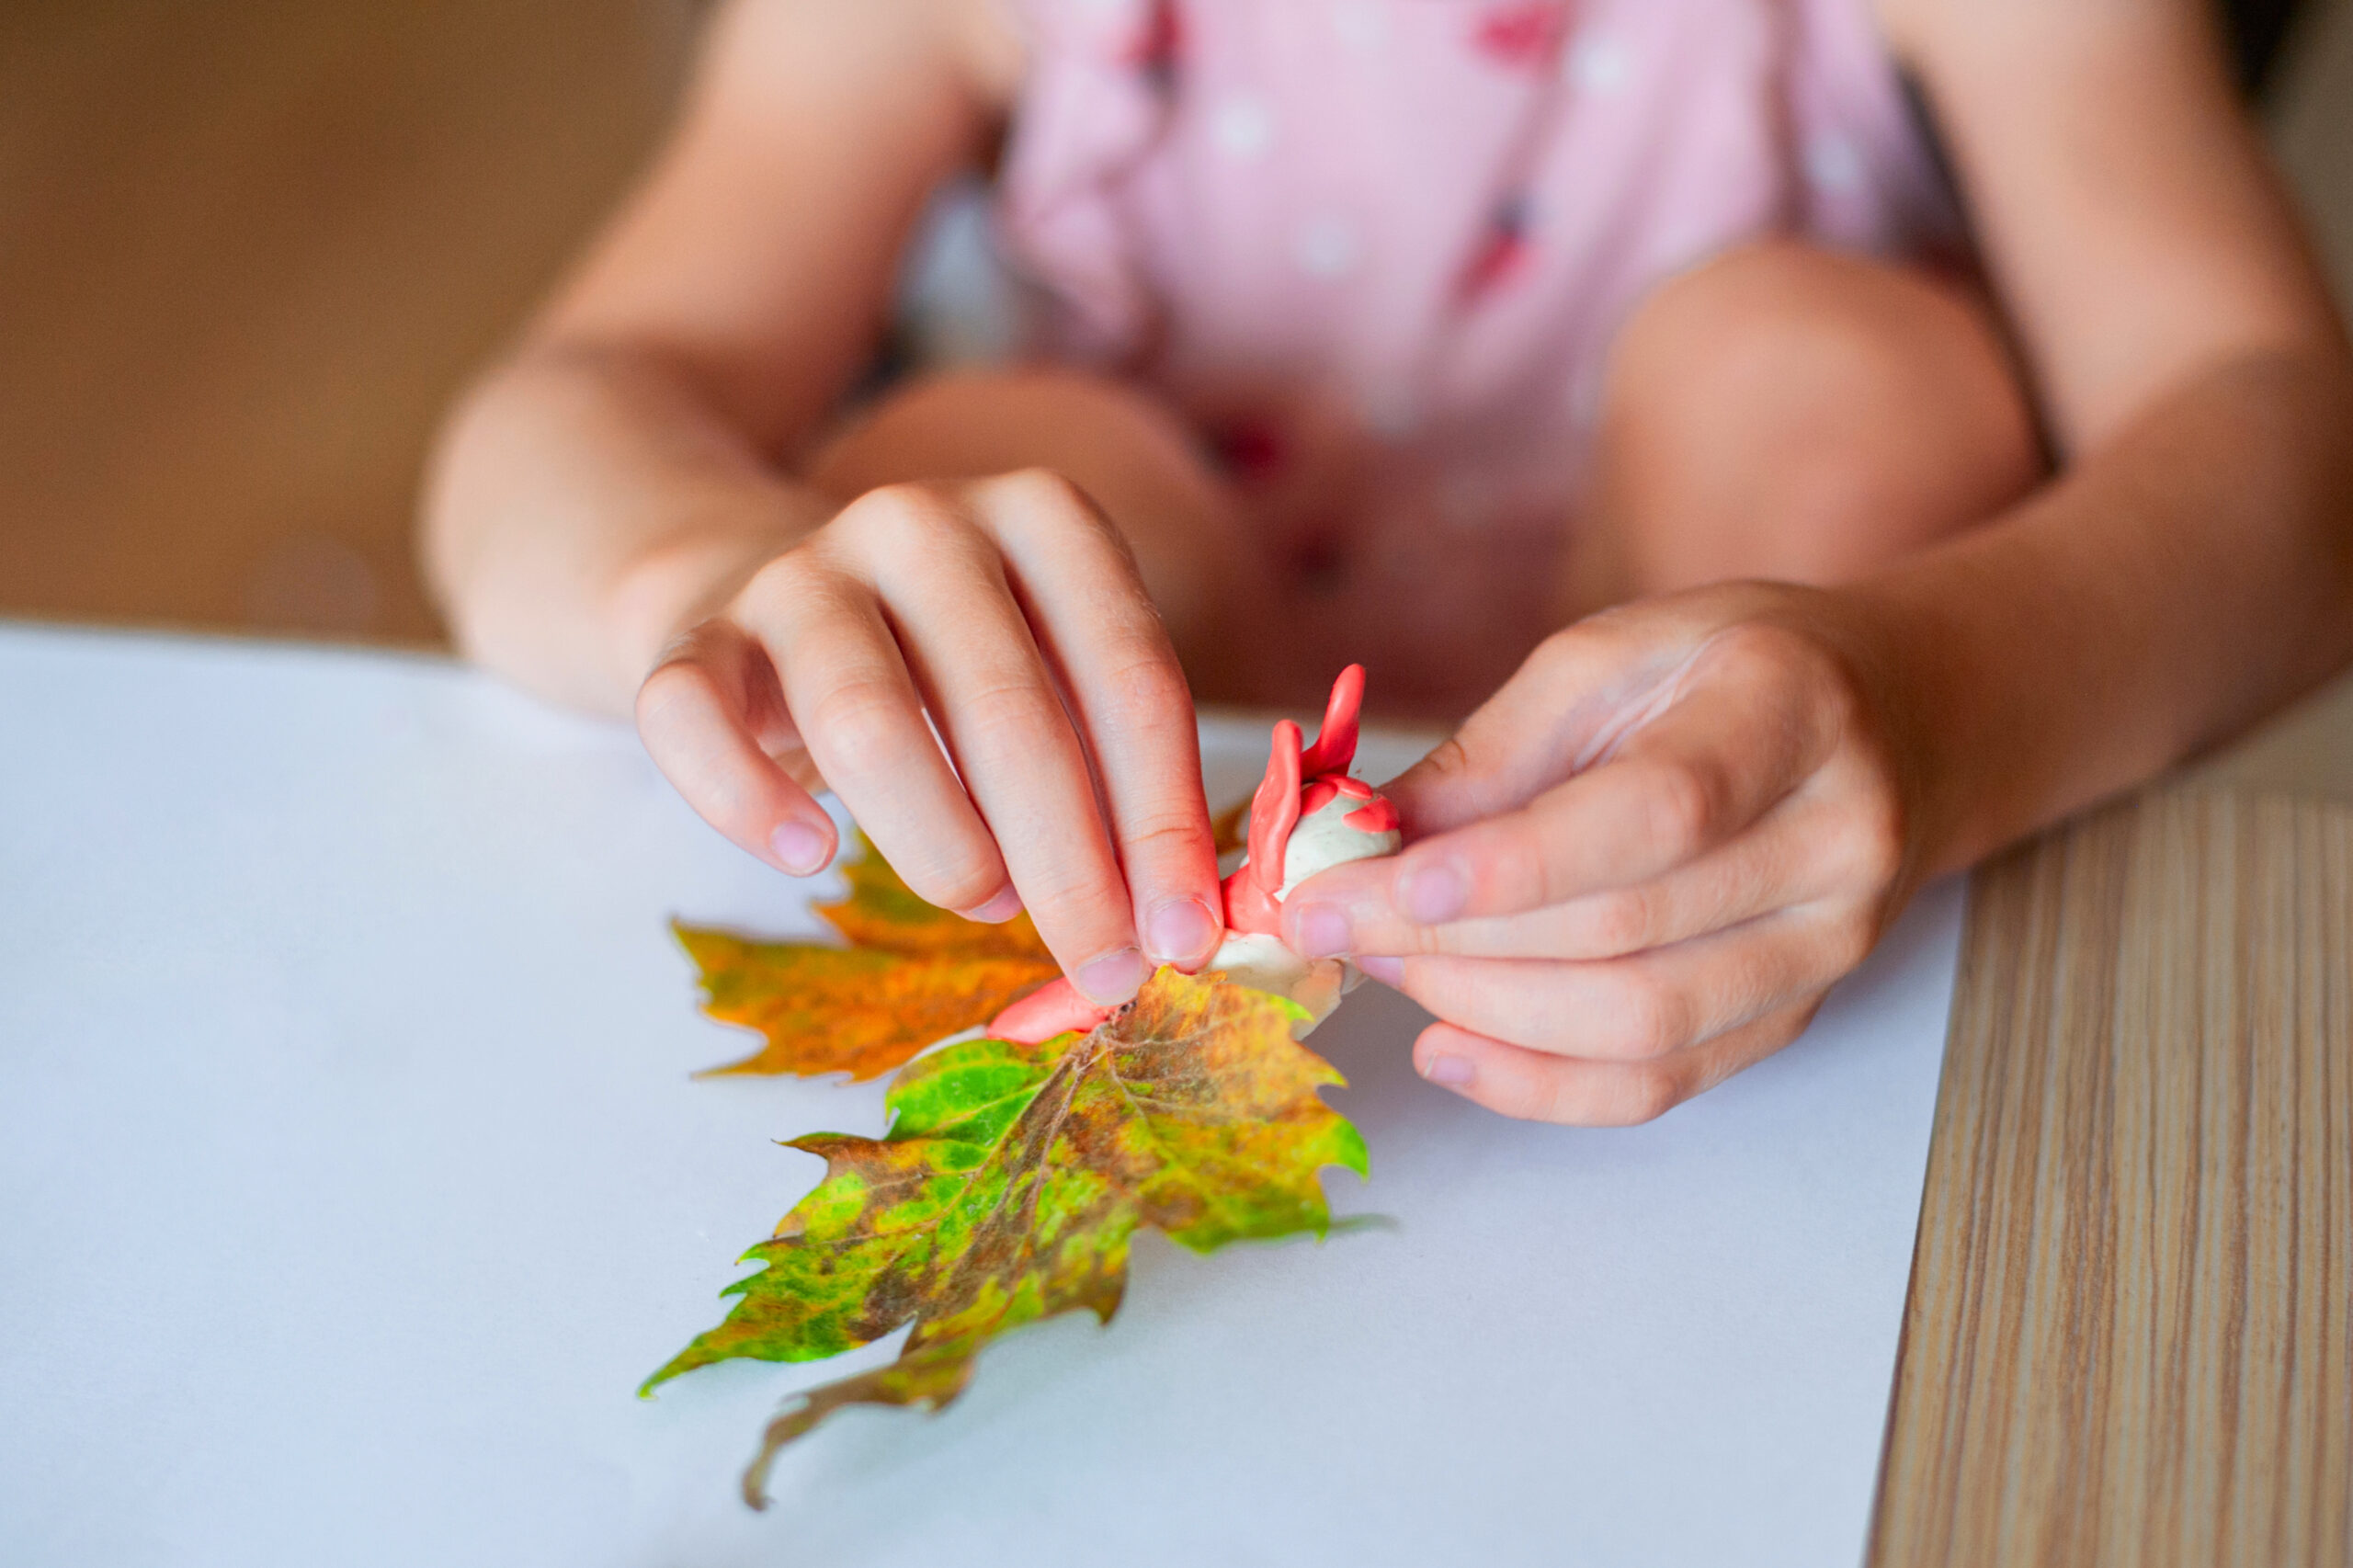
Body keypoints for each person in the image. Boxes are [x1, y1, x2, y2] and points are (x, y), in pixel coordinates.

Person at [424, 0, 2353, 1126]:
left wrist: (1940, 695)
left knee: (1822, 393)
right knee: (966, 488)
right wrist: (708, 569)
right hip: (1156, 906)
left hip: (1741, 932)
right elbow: (569, 408)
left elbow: (2280, 450)